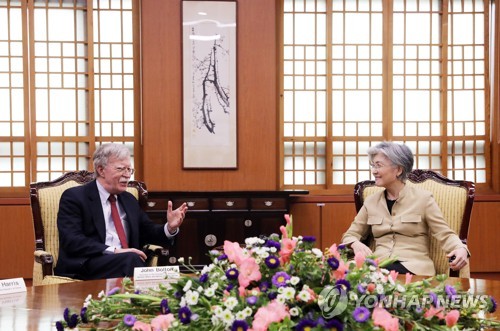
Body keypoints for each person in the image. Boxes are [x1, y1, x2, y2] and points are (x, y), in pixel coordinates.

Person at [54, 143, 188, 280]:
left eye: (130, 170)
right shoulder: (75, 197)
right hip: (87, 264)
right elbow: (72, 240)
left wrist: (170, 227)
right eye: (121, 169)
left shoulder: (128, 199)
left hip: (127, 262)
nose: (127, 175)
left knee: (169, 274)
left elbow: (148, 231)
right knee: (132, 260)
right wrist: (115, 251)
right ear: (101, 170)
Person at [341, 141, 469, 276]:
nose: (374, 171)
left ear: (398, 170)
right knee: (342, 274)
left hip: (413, 268)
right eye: (373, 165)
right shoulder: (371, 202)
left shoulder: (423, 199)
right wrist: (355, 243)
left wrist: (461, 248)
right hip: (378, 266)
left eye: (378, 165)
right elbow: (350, 235)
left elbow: (444, 233)